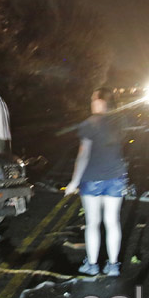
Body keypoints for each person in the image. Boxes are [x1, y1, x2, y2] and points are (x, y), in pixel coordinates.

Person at [64, 87, 128, 277]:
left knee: (92, 223)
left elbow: (83, 156)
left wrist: (73, 182)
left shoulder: (88, 124)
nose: (91, 102)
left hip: (92, 179)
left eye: (93, 99)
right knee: (112, 222)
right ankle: (113, 265)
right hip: (116, 177)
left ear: (101, 101)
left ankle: (92, 265)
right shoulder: (120, 122)